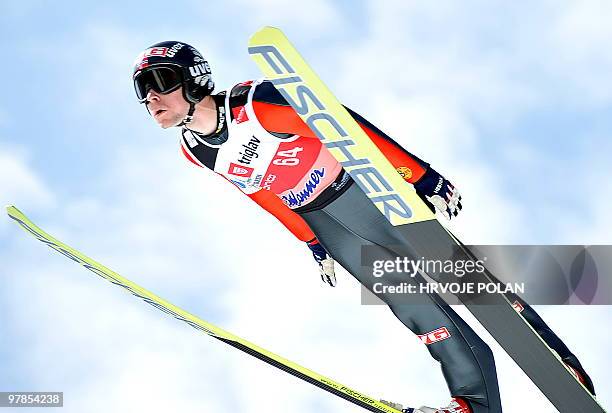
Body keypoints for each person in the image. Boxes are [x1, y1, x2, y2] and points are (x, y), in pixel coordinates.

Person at [132, 41, 595, 413]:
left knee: (465, 280)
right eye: (143, 90)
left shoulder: (256, 103)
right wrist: (312, 242)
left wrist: (419, 174)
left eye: (161, 82)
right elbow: (259, 192)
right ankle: (473, 404)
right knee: (422, 316)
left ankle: (558, 362)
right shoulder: (196, 150)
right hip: (330, 226)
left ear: (195, 80)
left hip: (363, 196)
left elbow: (349, 128)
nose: (152, 97)